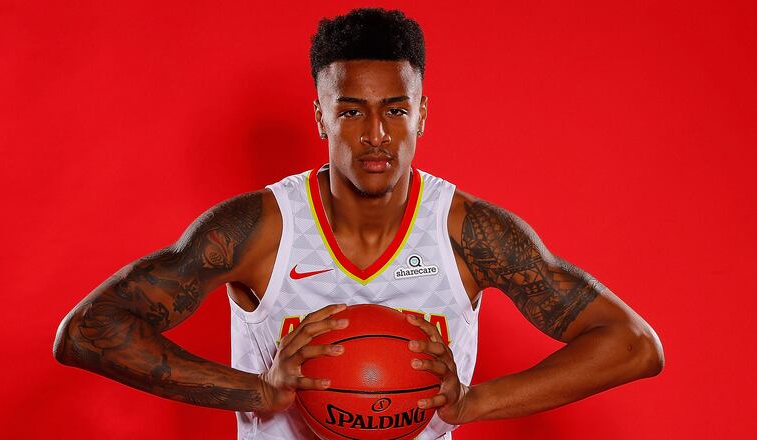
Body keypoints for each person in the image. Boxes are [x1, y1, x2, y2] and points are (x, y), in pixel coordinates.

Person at [53, 7, 664, 439]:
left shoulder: (467, 234)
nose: (376, 135)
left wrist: (474, 402)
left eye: (395, 110)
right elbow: (86, 331)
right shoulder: (261, 230)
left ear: (422, 114)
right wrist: (257, 391)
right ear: (320, 117)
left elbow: (633, 345)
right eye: (351, 112)